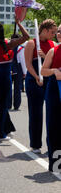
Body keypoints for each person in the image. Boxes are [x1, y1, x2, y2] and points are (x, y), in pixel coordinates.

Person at [0, 20, 29, 140]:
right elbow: (26, 36)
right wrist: (19, 23)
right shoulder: (9, 44)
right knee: (2, 105)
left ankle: (8, 128)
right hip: (4, 76)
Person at [24, 19, 57, 153]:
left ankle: (53, 145)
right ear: (44, 30)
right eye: (52, 32)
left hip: (49, 81)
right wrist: (37, 77)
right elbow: (28, 64)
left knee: (52, 114)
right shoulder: (32, 44)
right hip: (34, 81)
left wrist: (44, 56)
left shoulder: (53, 44)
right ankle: (35, 144)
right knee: (36, 113)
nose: (54, 35)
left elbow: (54, 64)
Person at [41, 24, 61, 172]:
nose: (59, 34)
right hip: (54, 89)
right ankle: (56, 163)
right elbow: (43, 70)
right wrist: (54, 70)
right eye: (58, 31)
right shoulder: (53, 51)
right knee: (54, 126)